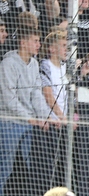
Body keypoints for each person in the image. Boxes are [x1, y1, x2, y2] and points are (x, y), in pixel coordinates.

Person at [0, 28, 50, 194]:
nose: (39, 44)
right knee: (5, 168)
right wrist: (30, 119)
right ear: (23, 42)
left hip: (29, 124)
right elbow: (9, 98)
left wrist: (46, 116)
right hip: (9, 124)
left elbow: (37, 94)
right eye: (35, 41)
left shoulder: (34, 64)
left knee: (30, 169)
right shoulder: (8, 64)